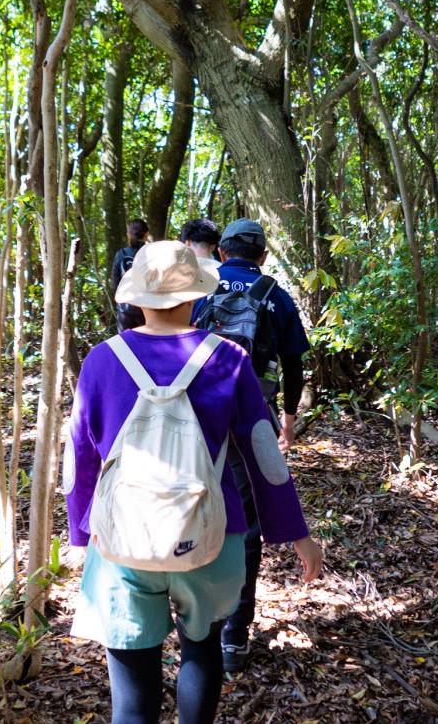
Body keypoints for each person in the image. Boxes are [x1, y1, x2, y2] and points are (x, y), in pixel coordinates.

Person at [66, 241, 323, 724]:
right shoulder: (226, 358)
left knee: (132, 679)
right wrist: (297, 534)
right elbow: (263, 453)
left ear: (135, 296)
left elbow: (78, 455)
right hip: (210, 534)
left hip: (122, 539)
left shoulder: (102, 359)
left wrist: (80, 533)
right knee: (202, 653)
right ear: (195, 296)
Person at [193, 218, 313, 674]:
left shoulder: (197, 287)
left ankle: (195, 621)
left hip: (195, 418)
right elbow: (293, 364)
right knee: (244, 521)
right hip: (251, 414)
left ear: (222, 252)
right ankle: (234, 636)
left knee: (193, 506)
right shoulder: (274, 295)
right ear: (262, 255)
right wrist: (288, 421)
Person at [109, 219, 151, 332]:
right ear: (147, 234)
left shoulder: (121, 254)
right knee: (145, 344)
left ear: (129, 235)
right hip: (148, 309)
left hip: (125, 309)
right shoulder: (152, 254)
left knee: (125, 345)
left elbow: (115, 283)